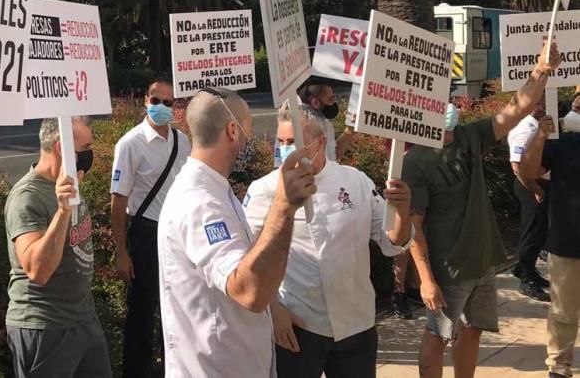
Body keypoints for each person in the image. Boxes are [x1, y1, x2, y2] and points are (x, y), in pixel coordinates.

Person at [404, 40, 560, 378]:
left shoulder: (469, 136)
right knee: (438, 334)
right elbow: (413, 225)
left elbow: (516, 109)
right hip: (448, 269)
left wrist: (540, 71)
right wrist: (426, 279)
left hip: (482, 261)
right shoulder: (415, 162)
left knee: (473, 329)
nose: (445, 106)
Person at [244, 103, 414, 377]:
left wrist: (403, 211)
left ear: (320, 143)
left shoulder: (355, 180)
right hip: (299, 326)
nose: (286, 149)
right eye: (282, 142)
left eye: (294, 142)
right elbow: (247, 258)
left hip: (356, 325)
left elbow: (392, 242)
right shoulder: (264, 190)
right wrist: (273, 310)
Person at [158, 87, 315, 376]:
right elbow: (249, 290)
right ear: (233, 129)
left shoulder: (214, 189)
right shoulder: (200, 203)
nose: (249, 137)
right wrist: (282, 207)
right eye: (249, 127)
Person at [4, 117, 110, 378]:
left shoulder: (67, 183)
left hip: (82, 318)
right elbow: (37, 271)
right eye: (85, 147)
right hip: (45, 326)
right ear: (62, 148)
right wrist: (63, 211)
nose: (89, 154)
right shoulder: (27, 197)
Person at [110, 78, 191, 376]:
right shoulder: (130, 144)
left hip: (177, 235)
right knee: (142, 313)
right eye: (155, 100)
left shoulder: (183, 142)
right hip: (145, 233)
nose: (161, 107)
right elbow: (118, 200)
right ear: (145, 100)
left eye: (168, 102)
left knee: (177, 307)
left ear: (175, 106)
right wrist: (121, 252)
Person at [517, 111, 580, 378]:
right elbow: (529, 170)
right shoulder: (564, 142)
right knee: (563, 313)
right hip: (568, 242)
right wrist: (540, 135)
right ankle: (558, 368)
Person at [508, 101, 551, 301]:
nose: (544, 103)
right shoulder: (525, 129)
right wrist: (535, 189)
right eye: (539, 100)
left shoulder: (537, 124)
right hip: (530, 185)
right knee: (532, 232)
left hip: (539, 185)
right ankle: (526, 279)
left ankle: (527, 268)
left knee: (540, 230)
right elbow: (517, 167)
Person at [297, 80, 353, 161]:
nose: (334, 102)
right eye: (330, 99)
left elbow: (333, 154)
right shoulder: (298, 127)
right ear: (315, 102)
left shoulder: (325, 123)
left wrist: (350, 128)